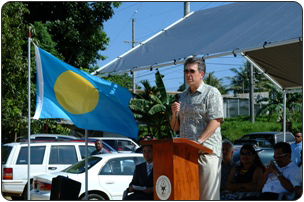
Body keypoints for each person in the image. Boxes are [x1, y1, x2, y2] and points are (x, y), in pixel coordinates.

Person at [170, 57, 224, 200]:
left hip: (206, 153)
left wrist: (199, 141)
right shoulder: (182, 96)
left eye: (192, 71)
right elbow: (175, 127)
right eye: (186, 71)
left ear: (202, 74)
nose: (188, 74)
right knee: (187, 196)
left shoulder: (211, 92)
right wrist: (174, 114)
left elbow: (216, 120)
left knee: (207, 198)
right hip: (186, 155)